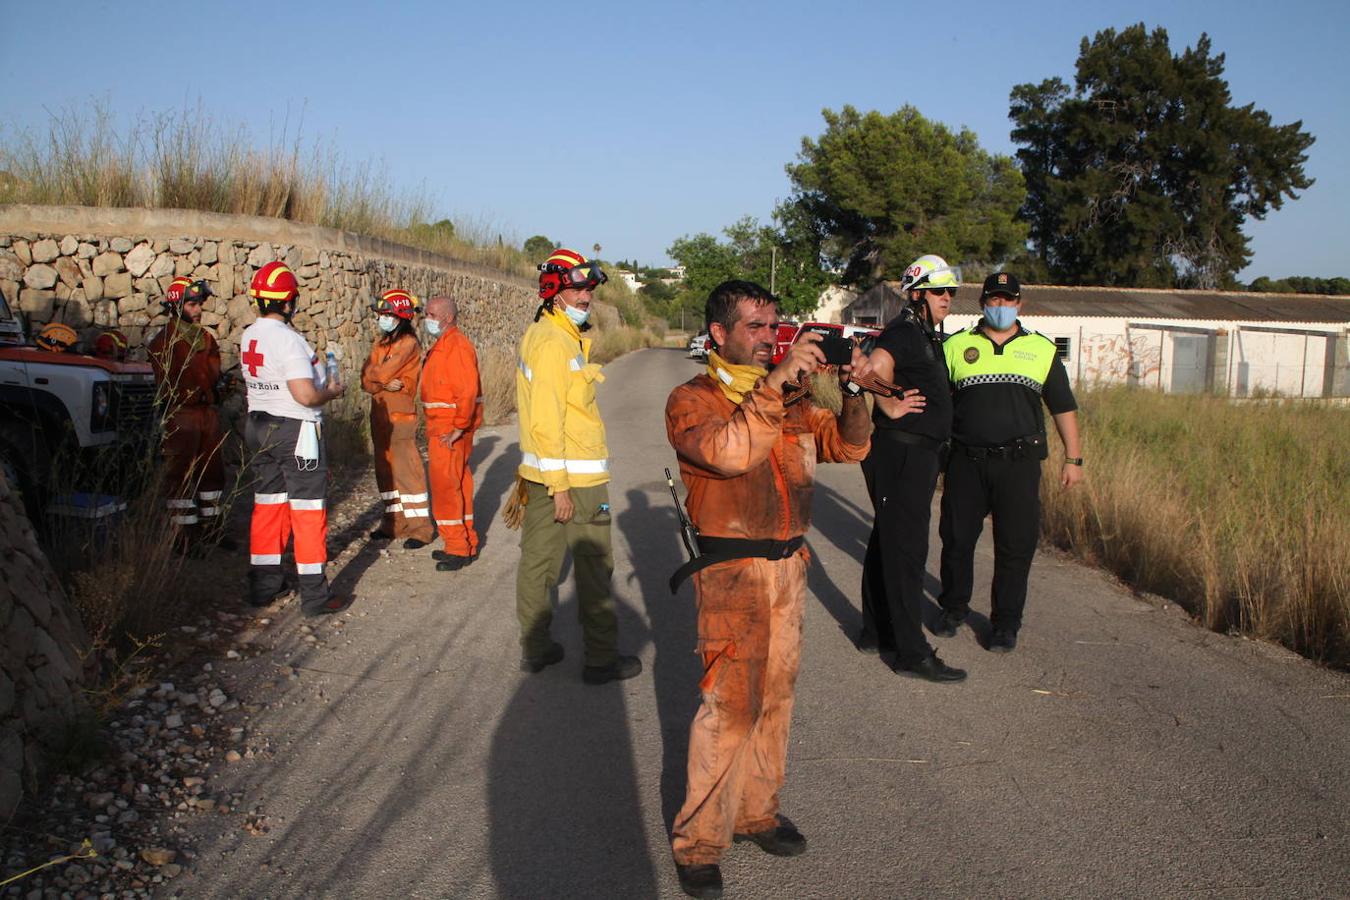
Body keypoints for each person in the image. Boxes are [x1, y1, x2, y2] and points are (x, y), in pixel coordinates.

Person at [666, 279, 871, 899]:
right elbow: (728, 455)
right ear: (720, 334)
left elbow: (849, 444)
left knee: (776, 699)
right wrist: (776, 382)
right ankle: (699, 843)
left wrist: (856, 390)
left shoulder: (792, 396)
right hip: (732, 572)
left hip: (789, 566)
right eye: (754, 327)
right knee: (729, 706)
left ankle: (757, 813)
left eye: (774, 325)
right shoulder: (692, 399)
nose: (769, 337)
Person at [935, 272, 1084, 651]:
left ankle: (1005, 624)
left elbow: (1063, 407)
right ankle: (953, 608)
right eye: (994, 300)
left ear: (1020, 304)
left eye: (1007, 300)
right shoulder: (955, 346)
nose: (1000, 307)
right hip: (965, 460)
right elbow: (938, 406)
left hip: (1018, 464)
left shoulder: (1042, 350)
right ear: (983, 302)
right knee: (956, 540)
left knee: (1015, 546)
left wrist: (1074, 458)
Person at [514, 248, 641, 683]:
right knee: (592, 566)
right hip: (573, 482)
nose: (586, 294)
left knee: (537, 563)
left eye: (589, 287)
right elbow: (549, 420)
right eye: (577, 286)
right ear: (554, 290)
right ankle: (601, 659)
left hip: (544, 476)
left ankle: (537, 648)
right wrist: (562, 487)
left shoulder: (552, 334)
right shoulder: (553, 342)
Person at [857, 255, 966, 682]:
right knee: (906, 551)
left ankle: (875, 631)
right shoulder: (904, 331)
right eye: (939, 291)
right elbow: (870, 371)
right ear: (918, 294)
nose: (947, 299)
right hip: (903, 452)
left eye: (951, 292)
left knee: (889, 539)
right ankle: (910, 652)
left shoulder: (924, 334)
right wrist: (890, 403)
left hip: (916, 454)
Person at [240, 261, 350, 616]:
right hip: (297, 430)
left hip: (258, 426)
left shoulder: (249, 335)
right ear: (288, 303)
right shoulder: (288, 340)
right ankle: (316, 596)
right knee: (307, 511)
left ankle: (264, 586)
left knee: (268, 506)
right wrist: (330, 392)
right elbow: (304, 394)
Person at [147, 277, 228, 547]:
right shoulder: (164, 342)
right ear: (177, 305)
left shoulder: (206, 338)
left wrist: (220, 388)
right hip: (181, 414)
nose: (198, 309)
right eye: (192, 304)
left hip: (207, 413)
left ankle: (213, 530)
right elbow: (164, 380)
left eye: (199, 304)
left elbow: (214, 372)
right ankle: (184, 538)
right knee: (180, 474)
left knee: (213, 472)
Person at [360, 288, 434, 548]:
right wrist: (377, 380)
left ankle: (420, 529)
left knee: (407, 471)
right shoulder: (381, 344)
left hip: (399, 416)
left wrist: (376, 377)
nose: (382, 318)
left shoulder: (408, 344)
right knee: (385, 470)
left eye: (386, 313)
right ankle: (394, 522)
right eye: (381, 314)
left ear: (400, 316)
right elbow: (366, 379)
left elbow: (378, 373)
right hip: (379, 412)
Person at [421, 295, 484, 572]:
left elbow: (467, 391)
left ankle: (458, 548)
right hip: (445, 427)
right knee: (458, 484)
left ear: (447, 317)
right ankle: (463, 541)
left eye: (432, 314)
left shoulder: (455, 346)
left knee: (446, 488)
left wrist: (459, 426)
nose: (427, 318)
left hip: (448, 430)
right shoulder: (444, 345)